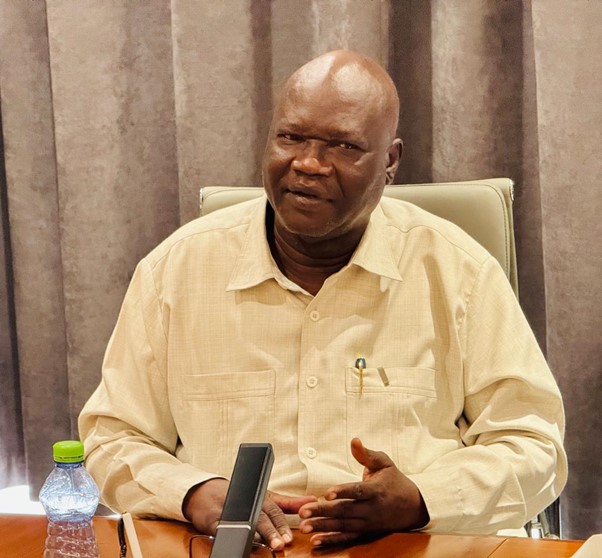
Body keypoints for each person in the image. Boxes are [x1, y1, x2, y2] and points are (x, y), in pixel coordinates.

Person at [78, 50, 567, 549]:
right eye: (290, 137)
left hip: (411, 546)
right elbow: (112, 437)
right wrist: (192, 493)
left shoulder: (460, 272)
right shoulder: (174, 271)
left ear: (390, 162)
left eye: (343, 145)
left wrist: (422, 499)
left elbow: (533, 445)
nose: (308, 164)